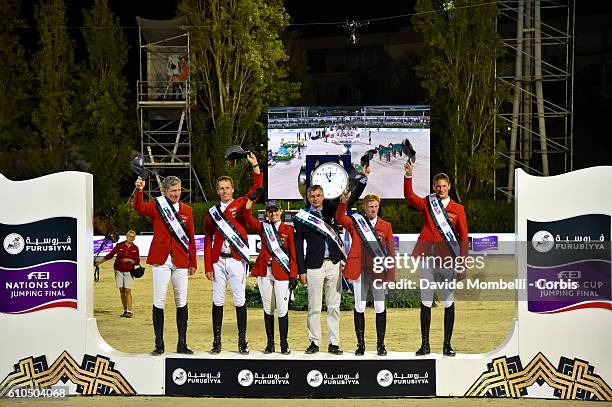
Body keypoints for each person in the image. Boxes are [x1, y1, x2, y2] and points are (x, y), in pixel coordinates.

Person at [294, 169, 368, 355]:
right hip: (313, 265)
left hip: (334, 263)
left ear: (323, 195)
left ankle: (334, 343)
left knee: (334, 306)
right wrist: (301, 270)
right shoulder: (301, 218)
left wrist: (362, 181)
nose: (316, 199)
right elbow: (297, 246)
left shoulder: (330, 209)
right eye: (312, 196)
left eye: (319, 195)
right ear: (308, 197)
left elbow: (349, 199)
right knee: (314, 306)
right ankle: (314, 342)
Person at [404, 160, 468, 357]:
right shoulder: (427, 203)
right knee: (426, 300)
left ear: (449, 187)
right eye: (437, 186)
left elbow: (464, 238)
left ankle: (447, 345)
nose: (441, 189)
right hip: (426, 260)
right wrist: (408, 175)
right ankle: (425, 345)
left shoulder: (458, 209)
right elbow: (409, 196)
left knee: (448, 301)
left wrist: (462, 264)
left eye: (444, 186)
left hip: (447, 261)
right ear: (434, 187)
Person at [204, 152, 263, 355]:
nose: (224, 191)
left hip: (237, 259)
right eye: (221, 188)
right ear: (217, 191)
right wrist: (207, 266)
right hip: (218, 261)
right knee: (218, 301)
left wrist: (255, 165)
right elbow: (207, 239)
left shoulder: (240, 203)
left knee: (240, 300)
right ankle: (217, 342)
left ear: (233, 189)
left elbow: (257, 187)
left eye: (227, 188)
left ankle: (242, 342)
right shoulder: (212, 213)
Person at [133, 176, 197, 355]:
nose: (177, 194)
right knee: (159, 301)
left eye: (179, 190)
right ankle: (159, 345)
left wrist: (193, 262)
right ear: (165, 192)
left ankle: (182, 344)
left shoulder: (187, 210)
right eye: (173, 191)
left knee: (181, 301)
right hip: (161, 259)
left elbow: (191, 238)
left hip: (181, 260)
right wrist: (139, 191)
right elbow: (138, 207)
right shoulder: (156, 205)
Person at [336, 192, 394, 356]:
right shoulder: (355, 223)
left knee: (379, 307)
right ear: (365, 208)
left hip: (378, 271)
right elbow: (340, 217)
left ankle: (380, 345)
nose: (373, 209)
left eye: (376, 206)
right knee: (359, 306)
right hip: (359, 269)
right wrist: (343, 203)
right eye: (370, 207)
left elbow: (390, 253)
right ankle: (360, 344)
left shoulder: (386, 226)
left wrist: (390, 275)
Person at [245, 199, 297, 355]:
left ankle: (284, 343)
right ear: (266, 214)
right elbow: (248, 219)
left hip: (282, 272)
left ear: (281, 212)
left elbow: (293, 252)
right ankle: (270, 344)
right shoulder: (263, 227)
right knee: (268, 309)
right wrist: (250, 202)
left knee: (282, 309)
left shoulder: (287, 229)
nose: (273, 213)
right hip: (264, 272)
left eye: (276, 211)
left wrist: (293, 274)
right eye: (270, 211)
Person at [95, 230, 141, 318]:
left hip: (129, 271)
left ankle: (129, 311)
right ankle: (125, 310)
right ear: (127, 236)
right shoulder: (119, 246)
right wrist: (99, 263)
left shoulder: (135, 248)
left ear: (134, 238)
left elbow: (137, 261)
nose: (131, 238)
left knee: (128, 290)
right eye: (130, 236)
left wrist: (129, 260)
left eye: (133, 237)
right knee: (122, 290)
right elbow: (110, 255)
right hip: (118, 270)